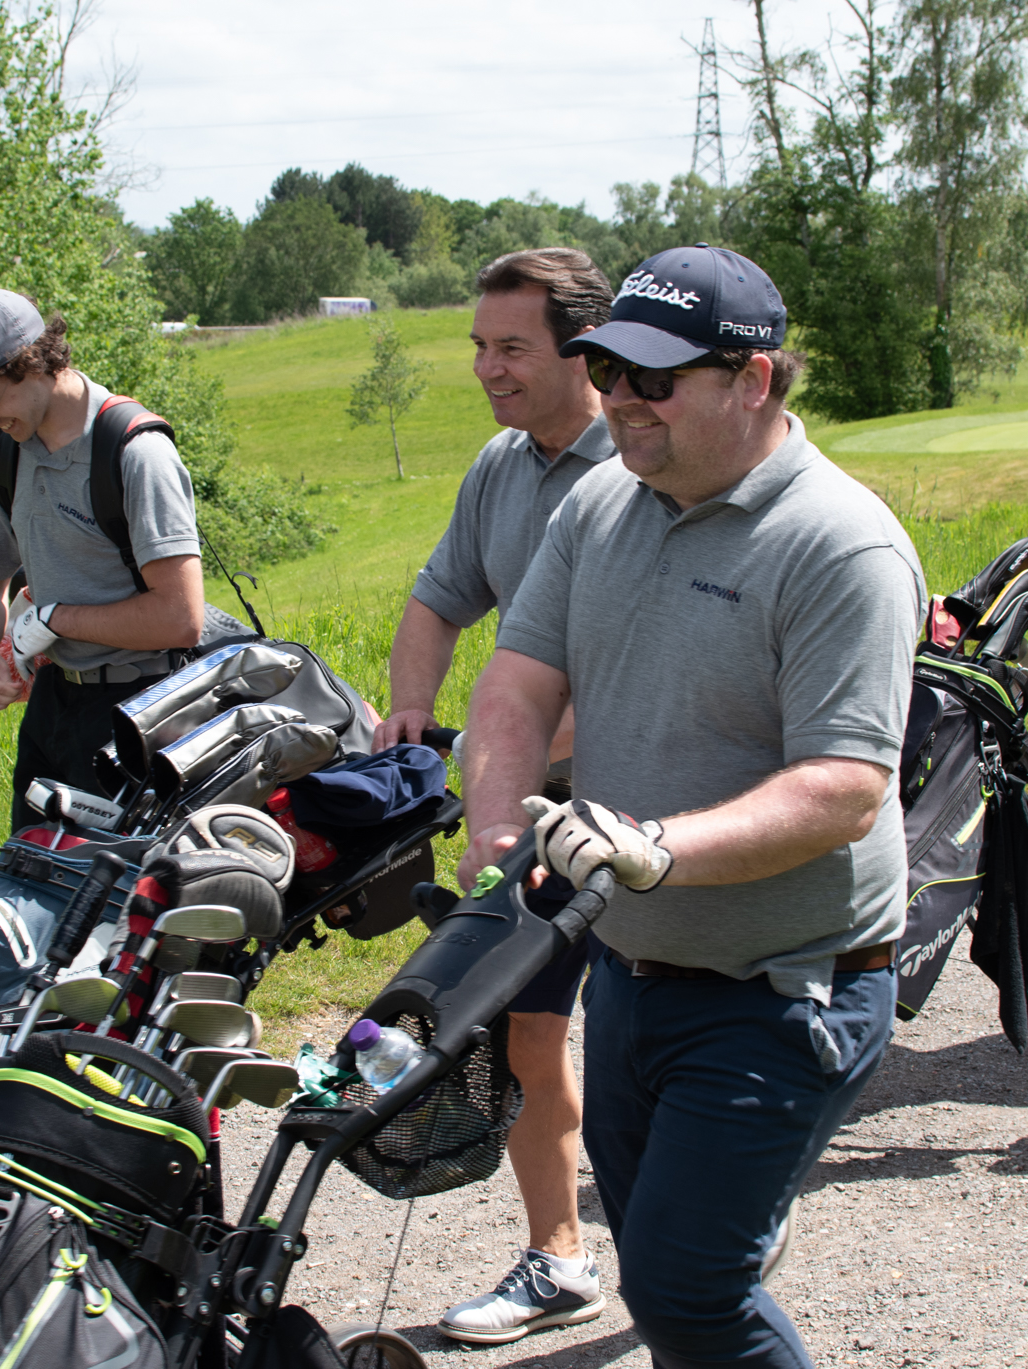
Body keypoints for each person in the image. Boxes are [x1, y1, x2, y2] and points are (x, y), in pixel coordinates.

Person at [456, 244, 924, 1369]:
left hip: (784, 986)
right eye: (609, 369)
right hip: (628, 971)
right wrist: (497, 816)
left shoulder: (838, 543)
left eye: (653, 379)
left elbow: (844, 790)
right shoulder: (602, 507)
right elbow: (516, 682)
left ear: (751, 379)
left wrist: (659, 851)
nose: (619, 398)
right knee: (665, 1272)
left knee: (685, 1287)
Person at [369, 248, 616, 1344]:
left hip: (665, 807)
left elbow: (618, 688)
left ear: (583, 351)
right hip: (542, 818)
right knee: (524, 1030)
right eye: (479, 346)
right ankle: (560, 1255)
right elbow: (434, 602)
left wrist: (501, 769)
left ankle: (711, 1222)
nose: (487, 368)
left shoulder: (646, 463)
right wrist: (412, 715)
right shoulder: (500, 467)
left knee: (665, 1039)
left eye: (509, 347)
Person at [0, 288, 205, 832]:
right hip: (53, 707)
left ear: (28, 364)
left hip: (144, 709)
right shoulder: (3, 457)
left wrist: (54, 619)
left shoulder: (133, 452)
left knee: (124, 903)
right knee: (34, 878)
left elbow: (181, 618)